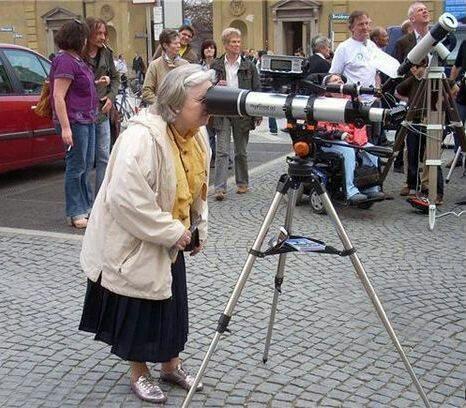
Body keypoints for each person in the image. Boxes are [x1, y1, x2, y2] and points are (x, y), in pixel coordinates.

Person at [79, 64, 212, 404]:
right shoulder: (140, 138)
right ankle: (139, 372)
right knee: (138, 307)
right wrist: (171, 232)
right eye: (203, 99)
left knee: (173, 307)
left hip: (171, 239)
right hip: (134, 241)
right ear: (176, 103)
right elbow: (126, 200)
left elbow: (199, 188)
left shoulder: (196, 135)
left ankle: (171, 364)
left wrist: (197, 227)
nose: (210, 105)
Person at [49, 20, 98, 229]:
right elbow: (58, 96)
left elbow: (78, 87)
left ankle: (85, 207)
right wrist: (66, 127)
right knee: (76, 166)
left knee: (86, 165)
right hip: (75, 120)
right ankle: (76, 211)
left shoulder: (77, 60)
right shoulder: (65, 61)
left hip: (87, 118)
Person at [211, 27, 261, 201]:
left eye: (238, 42)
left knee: (241, 151)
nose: (237, 45)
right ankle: (219, 188)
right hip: (222, 110)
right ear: (225, 44)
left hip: (242, 111)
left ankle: (242, 183)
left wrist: (257, 113)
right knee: (222, 151)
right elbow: (207, 88)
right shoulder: (216, 65)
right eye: (233, 42)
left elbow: (256, 91)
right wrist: (217, 84)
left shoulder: (249, 66)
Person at [318, 74, 384, 203]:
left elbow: (360, 124)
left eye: (341, 79)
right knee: (347, 151)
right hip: (331, 140)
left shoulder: (352, 101)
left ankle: (371, 188)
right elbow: (321, 127)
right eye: (335, 80)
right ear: (328, 87)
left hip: (352, 140)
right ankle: (350, 191)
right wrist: (341, 135)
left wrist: (357, 142)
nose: (340, 81)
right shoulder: (322, 103)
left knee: (372, 151)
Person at [329, 10, 387, 146]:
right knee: (357, 141)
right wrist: (348, 97)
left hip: (373, 102)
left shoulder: (372, 46)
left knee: (374, 140)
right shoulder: (344, 48)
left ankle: (372, 165)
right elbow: (334, 76)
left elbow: (376, 73)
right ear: (352, 28)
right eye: (361, 24)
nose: (365, 27)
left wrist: (377, 94)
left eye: (367, 23)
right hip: (355, 104)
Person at [85, 17, 120, 196]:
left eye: (104, 33)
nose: (102, 37)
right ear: (88, 33)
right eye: (98, 33)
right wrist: (95, 81)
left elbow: (115, 78)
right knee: (87, 160)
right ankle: (86, 199)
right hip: (83, 112)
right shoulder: (79, 54)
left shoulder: (106, 52)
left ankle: (100, 198)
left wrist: (111, 98)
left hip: (103, 111)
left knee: (103, 156)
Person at [142, 29, 188, 105]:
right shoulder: (155, 65)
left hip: (181, 112)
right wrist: (162, 104)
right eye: (175, 43)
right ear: (165, 45)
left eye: (179, 43)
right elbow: (146, 92)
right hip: (161, 113)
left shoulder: (185, 65)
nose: (179, 46)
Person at [200, 39, 218, 165]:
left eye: (212, 48)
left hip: (218, 100)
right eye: (207, 48)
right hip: (204, 101)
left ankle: (224, 157)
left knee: (220, 131)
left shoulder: (220, 65)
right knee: (208, 131)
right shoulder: (199, 66)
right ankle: (212, 156)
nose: (209, 50)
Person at [449, 40, 466, 168]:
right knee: (457, 125)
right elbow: (457, 65)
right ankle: (457, 156)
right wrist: (450, 84)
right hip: (462, 94)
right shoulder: (465, 43)